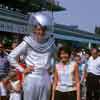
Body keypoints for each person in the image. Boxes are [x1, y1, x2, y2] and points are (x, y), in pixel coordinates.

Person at [8, 12, 56, 100]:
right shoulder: (27, 42)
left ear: (45, 31)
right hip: (31, 77)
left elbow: (56, 59)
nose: (40, 32)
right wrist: (23, 69)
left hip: (45, 77)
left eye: (42, 30)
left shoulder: (51, 44)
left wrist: (52, 71)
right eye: (38, 29)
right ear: (34, 30)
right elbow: (11, 57)